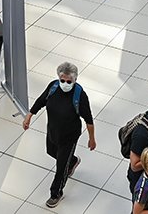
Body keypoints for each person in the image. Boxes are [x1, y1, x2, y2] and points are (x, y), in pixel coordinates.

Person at [22, 62, 96, 208]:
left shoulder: (79, 95)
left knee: (61, 167)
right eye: (62, 80)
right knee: (51, 152)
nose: (65, 83)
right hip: (53, 131)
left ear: (75, 80)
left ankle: (56, 193)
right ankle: (72, 161)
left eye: (69, 81)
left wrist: (91, 139)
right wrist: (29, 115)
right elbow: (41, 101)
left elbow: (88, 119)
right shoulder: (53, 87)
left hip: (69, 136)